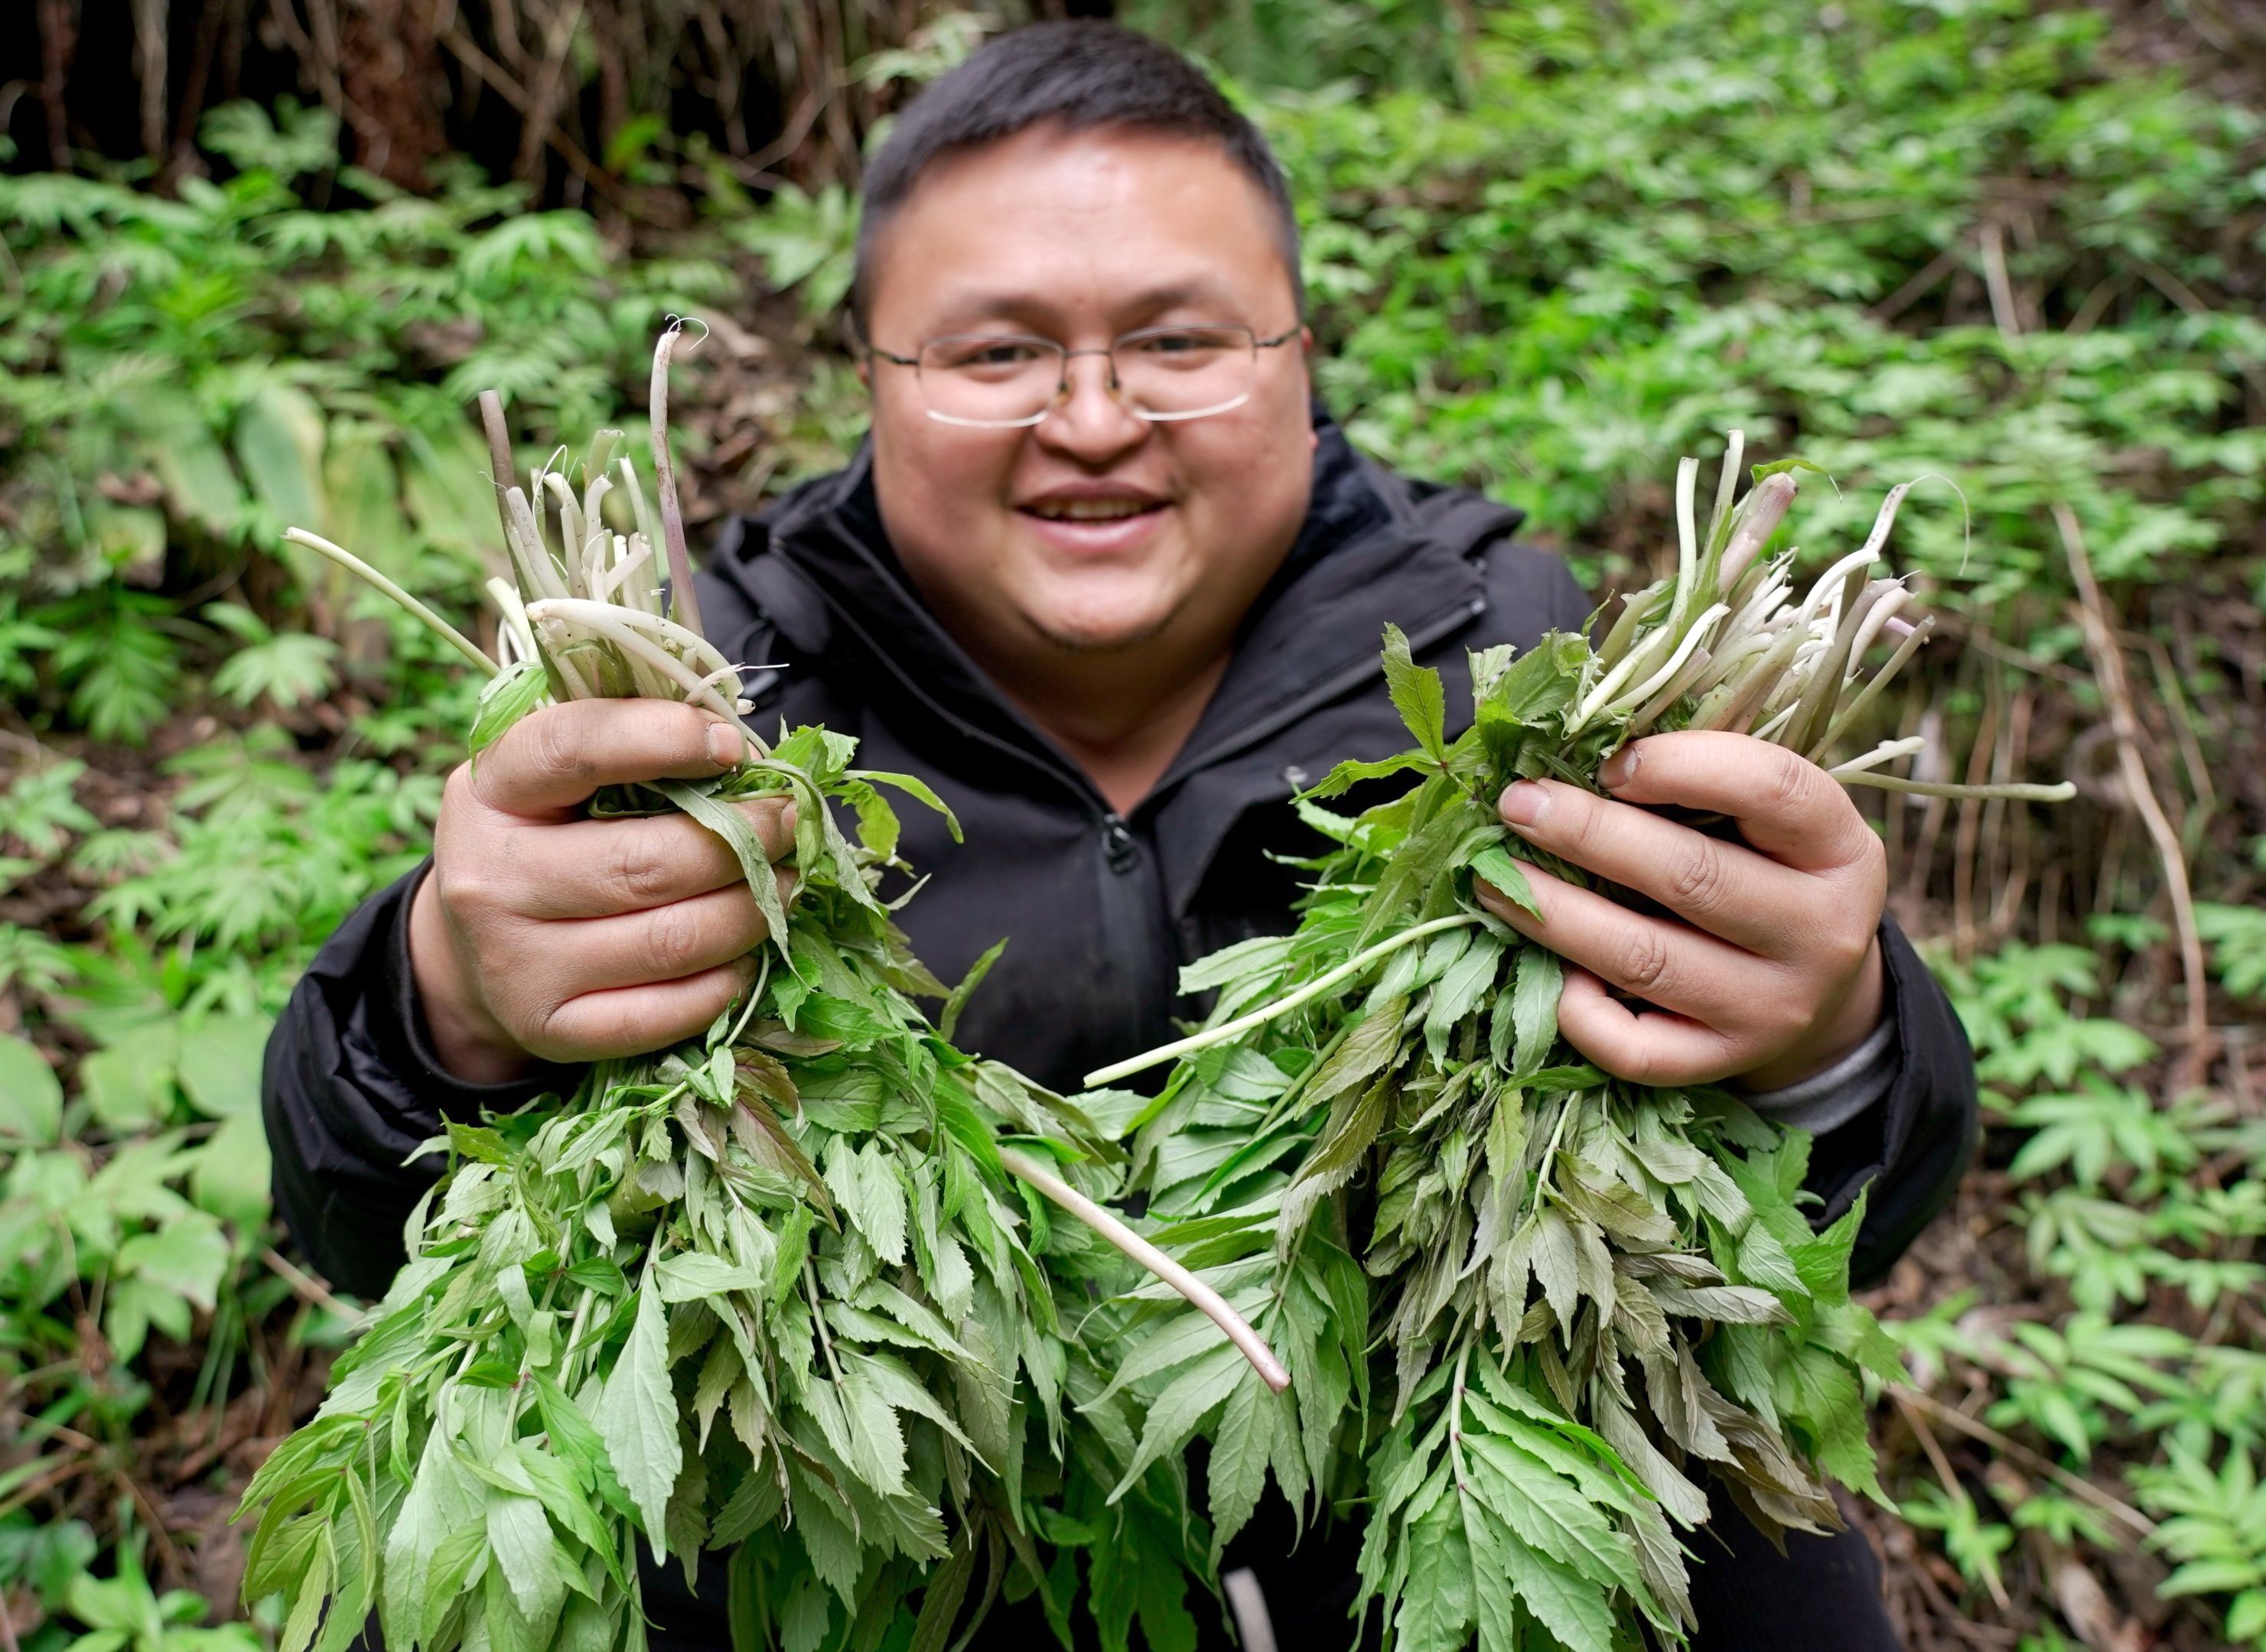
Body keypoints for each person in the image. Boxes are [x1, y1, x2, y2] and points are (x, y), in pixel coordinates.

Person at [263, 21, 1971, 1650]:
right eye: (998, 353)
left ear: (1299, 355)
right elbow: (352, 1226)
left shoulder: (1517, 667)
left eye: (1177, 342)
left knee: (1757, 1544)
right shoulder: (691, 710)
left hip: (1412, 1581)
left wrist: (1825, 1044)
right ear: (869, 371)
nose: (1091, 422)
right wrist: (448, 1006)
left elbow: (1815, 1242)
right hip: (882, 1581)